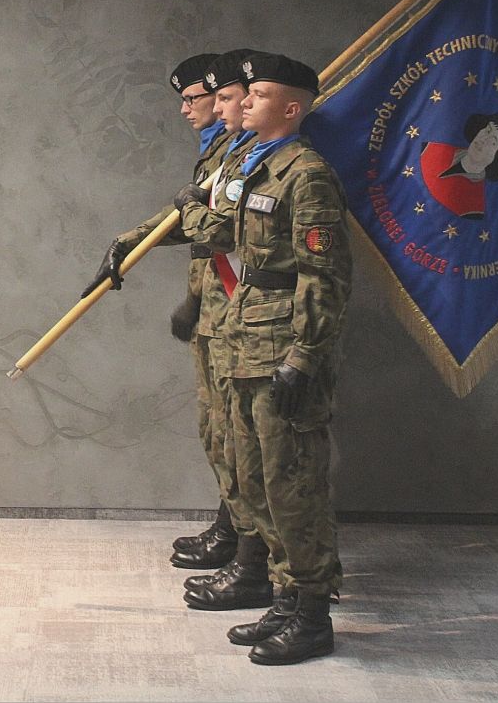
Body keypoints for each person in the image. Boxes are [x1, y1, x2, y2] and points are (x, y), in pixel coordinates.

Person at [175, 52, 352, 665]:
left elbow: (325, 276)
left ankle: (313, 614)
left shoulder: (307, 174)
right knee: (254, 478)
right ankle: (284, 595)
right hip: (243, 338)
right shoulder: (256, 165)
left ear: (293, 108)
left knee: (291, 482)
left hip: (282, 346)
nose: (244, 100)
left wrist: (306, 354)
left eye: (259, 94)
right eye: (243, 93)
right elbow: (227, 241)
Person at [81, 52, 239, 572]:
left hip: (239, 311)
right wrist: (128, 242)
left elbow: (216, 229)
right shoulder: (218, 149)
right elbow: (192, 221)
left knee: (236, 431)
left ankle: (247, 545)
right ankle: (234, 530)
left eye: (195, 98)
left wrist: (196, 294)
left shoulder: (244, 153)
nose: (186, 109)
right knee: (218, 427)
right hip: (215, 303)